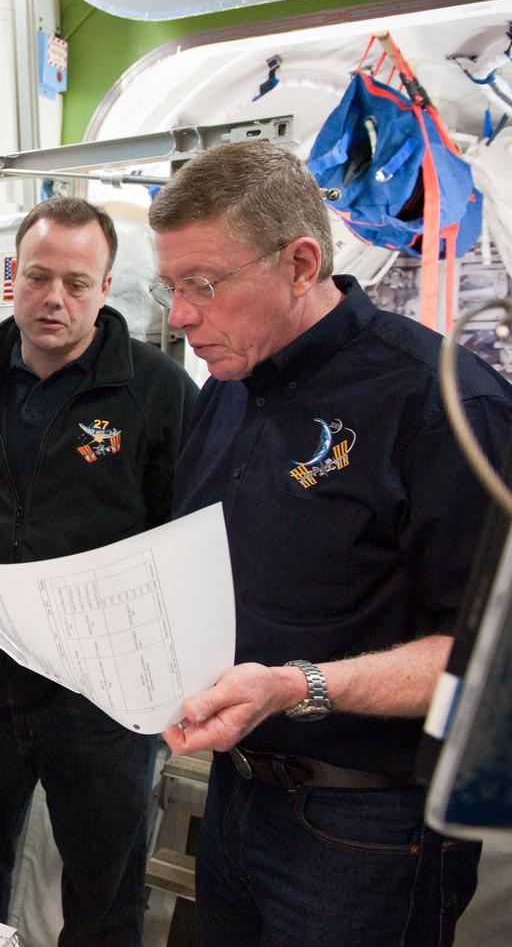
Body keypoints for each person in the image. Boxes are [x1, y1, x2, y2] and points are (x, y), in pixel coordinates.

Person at [149, 140, 512, 946]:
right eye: (168, 287)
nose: (179, 316)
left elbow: (486, 661)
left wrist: (298, 685)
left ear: (301, 263)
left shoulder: (440, 405)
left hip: (367, 827)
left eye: (202, 286)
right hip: (240, 794)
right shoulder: (225, 395)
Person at [0, 197, 199, 946]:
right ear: (15, 278)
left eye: (78, 282)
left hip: (100, 701)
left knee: (103, 897)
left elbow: (193, 535)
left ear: (106, 288)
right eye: (39, 277)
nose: (54, 298)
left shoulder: (157, 392)